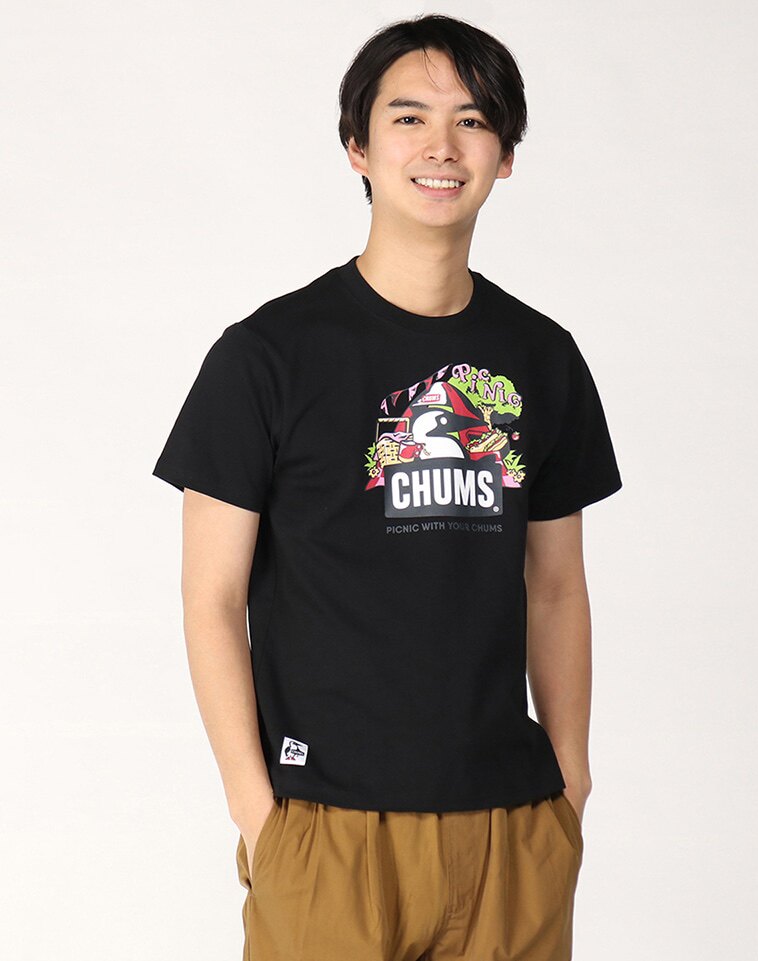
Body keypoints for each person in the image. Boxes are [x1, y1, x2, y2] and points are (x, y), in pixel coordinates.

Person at [152, 13, 622, 961]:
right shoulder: (267, 357)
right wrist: (259, 815)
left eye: (472, 120)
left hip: (510, 829)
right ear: (357, 147)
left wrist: (569, 785)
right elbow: (212, 597)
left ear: (505, 155)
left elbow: (556, 586)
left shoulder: (542, 357)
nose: (441, 146)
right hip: (326, 831)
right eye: (409, 118)